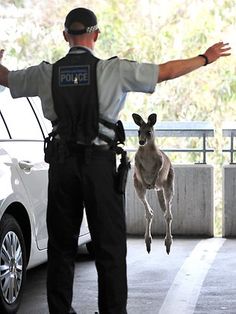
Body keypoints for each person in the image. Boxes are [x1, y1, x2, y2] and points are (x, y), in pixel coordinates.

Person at [0, 7, 231, 314]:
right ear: (96, 35)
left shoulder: (46, 73)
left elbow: (7, 78)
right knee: (109, 248)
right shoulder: (114, 70)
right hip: (99, 168)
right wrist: (205, 58)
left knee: (61, 248)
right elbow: (164, 72)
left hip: (62, 167)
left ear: (65, 36)